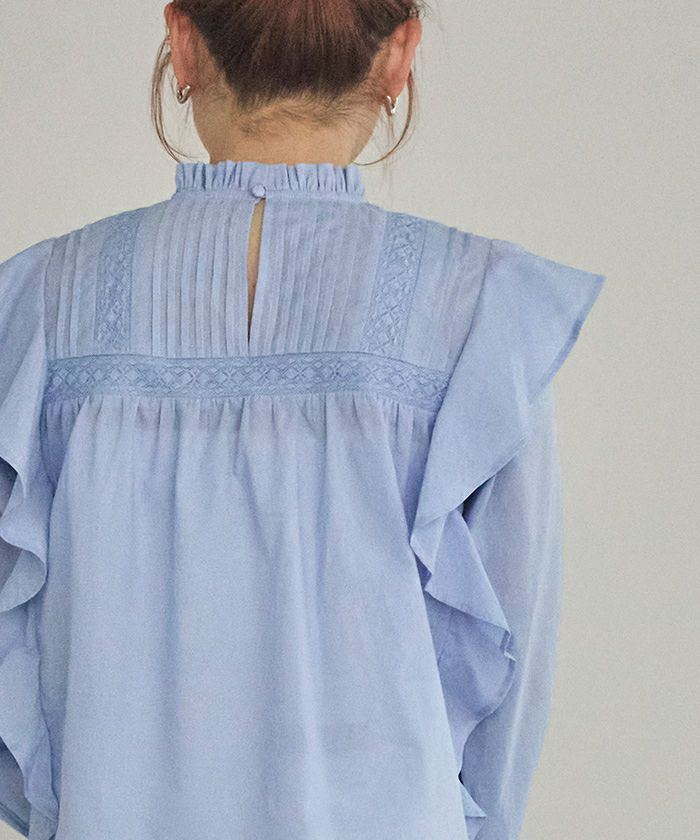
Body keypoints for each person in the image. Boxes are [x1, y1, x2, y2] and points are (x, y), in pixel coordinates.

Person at [0, 2, 606, 839]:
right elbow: (512, 656)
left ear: (183, 43)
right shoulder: (479, 311)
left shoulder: (37, 304)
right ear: (398, 56)